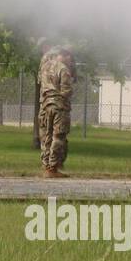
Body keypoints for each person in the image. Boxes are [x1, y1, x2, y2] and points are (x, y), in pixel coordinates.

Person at [38, 45, 76, 178]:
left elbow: (41, 84)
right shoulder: (63, 69)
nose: (70, 60)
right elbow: (66, 90)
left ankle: (45, 164)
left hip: (45, 106)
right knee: (58, 136)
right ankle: (53, 167)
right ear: (65, 55)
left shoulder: (45, 66)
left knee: (46, 136)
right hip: (59, 107)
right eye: (69, 57)